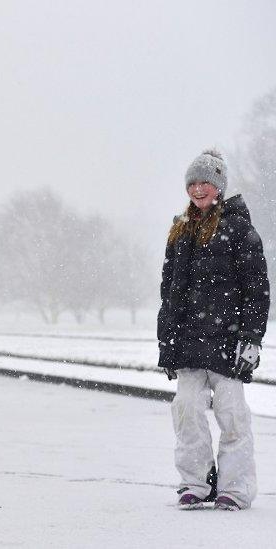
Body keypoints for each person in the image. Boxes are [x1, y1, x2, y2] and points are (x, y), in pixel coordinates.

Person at [158, 148, 270, 511]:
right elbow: (169, 291)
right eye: (192, 182)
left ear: (219, 185)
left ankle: (235, 488)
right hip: (189, 342)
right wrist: (168, 341)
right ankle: (195, 482)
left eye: (205, 181)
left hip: (228, 341)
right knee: (186, 409)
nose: (198, 188)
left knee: (232, 415)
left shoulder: (239, 228)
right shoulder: (180, 230)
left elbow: (257, 289)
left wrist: (251, 340)